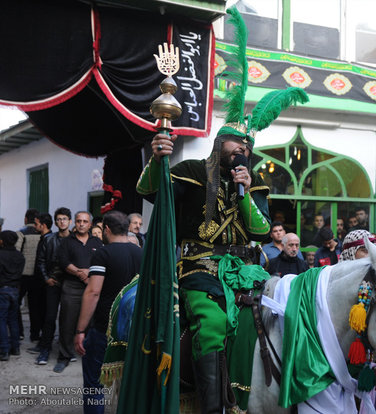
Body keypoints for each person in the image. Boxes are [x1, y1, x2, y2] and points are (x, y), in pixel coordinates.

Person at [135, 10, 308, 410]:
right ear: (219, 146)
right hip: (198, 267)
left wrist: (245, 192)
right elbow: (150, 191)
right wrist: (155, 157)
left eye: (246, 148)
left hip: (246, 269)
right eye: (235, 146)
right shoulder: (193, 171)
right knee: (212, 325)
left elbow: (263, 231)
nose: (241, 152)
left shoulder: (253, 182)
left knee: (282, 318)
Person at [74, 211, 142, 411]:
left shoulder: (103, 253)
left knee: (94, 382)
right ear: (127, 228)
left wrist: (80, 330)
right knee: (130, 382)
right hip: (134, 328)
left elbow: (93, 292)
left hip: (106, 327)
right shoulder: (141, 253)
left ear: (106, 229)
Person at [55, 211, 103, 373]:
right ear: (75, 223)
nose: (81, 224)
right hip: (72, 287)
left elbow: (102, 262)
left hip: (93, 286)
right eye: (79, 221)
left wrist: (89, 273)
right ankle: (64, 356)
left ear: (90, 224)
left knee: (92, 322)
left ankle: (88, 353)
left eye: (85, 221)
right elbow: (64, 262)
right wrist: (81, 274)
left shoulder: (97, 241)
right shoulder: (67, 242)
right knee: (67, 321)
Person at [32, 207, 72, 365]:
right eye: (59, 219)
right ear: (55, 222)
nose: (62, 221)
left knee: (68, 319)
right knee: (49, 317)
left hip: (70, 284)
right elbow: (40, 261)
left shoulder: (75, 239)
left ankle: (65, 351)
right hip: (52, 283)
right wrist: (47, 278)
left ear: (69, 221)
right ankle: (45, 349)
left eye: (64, 219)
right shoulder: (49, 239)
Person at [15, 208, 42, 343]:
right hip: (37, 275)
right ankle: (35, 334)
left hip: (22, 275)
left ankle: (19, 332)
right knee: (35, 305)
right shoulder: (42, 233)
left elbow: (16, 253)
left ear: (26, 219)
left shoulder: (21, 233)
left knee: (15, 303)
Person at [28, 213, 52, 354]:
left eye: (36, 224)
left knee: (44, 314)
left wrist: (46, 278)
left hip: (44, 283)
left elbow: (45, 262)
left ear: (42, 225)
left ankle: (44, 343)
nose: (35, 226)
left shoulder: (48, 240)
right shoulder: (44, 238)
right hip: (41, 282)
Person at [0, 231, 25, 361]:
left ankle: (4, 350)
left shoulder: (1, 255)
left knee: (1, 320)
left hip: (2, 290)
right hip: (15, 290)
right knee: (13, 319)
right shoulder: (20, 256)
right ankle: (15, 347)